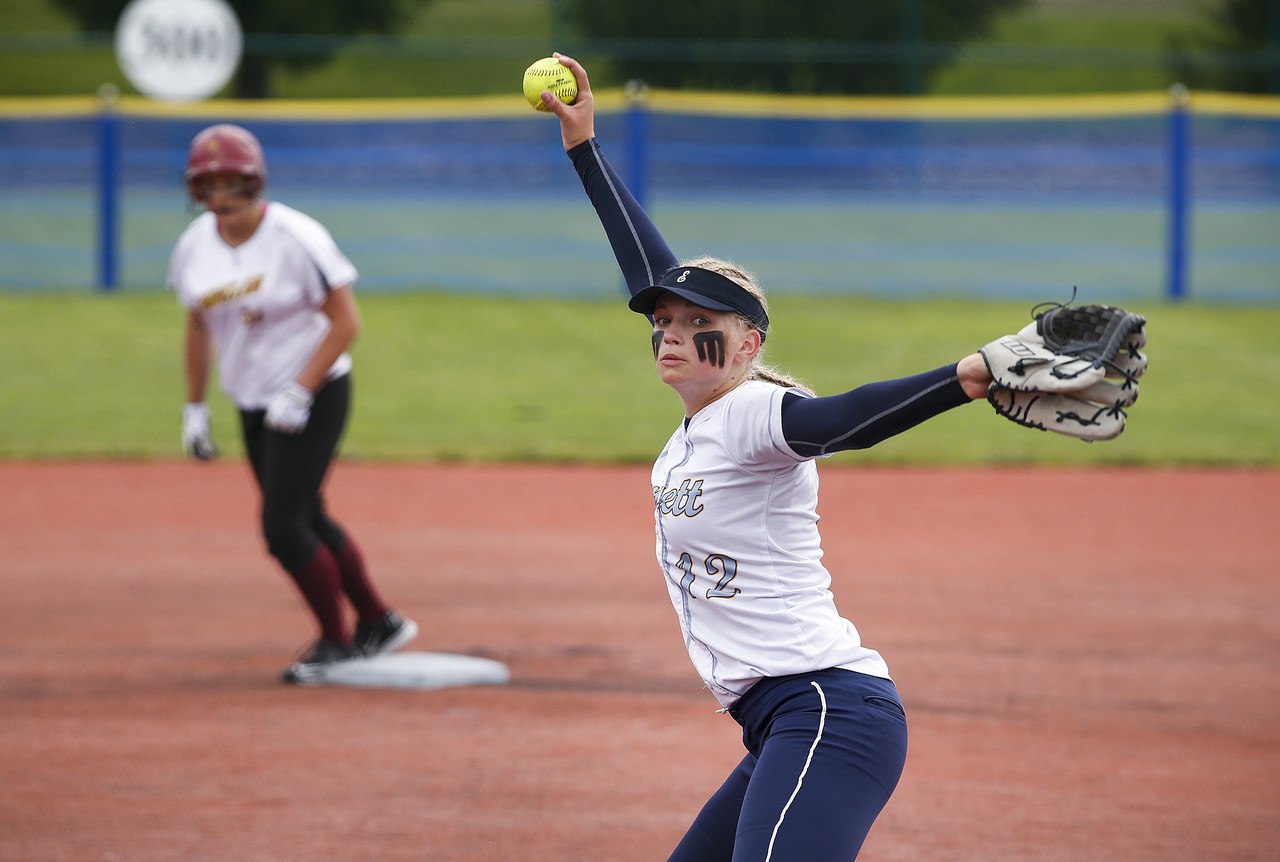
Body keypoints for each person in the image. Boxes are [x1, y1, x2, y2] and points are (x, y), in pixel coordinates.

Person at [541, 55, 997, 861]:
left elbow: (845, 420)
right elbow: (650, 272)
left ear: (748, 343)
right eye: (665, 321)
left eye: (699, 322)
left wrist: (966, 378)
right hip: (786, 724)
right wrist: (585, 148)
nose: (673, 332)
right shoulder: (700, 428)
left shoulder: (753, 413)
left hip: (827, 710)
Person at [168, 123, 417, 685]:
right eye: (210, 185)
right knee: (306, 515)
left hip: (317, 391)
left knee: (282, 527)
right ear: (196, 191)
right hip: (253, 399)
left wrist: (301, 388)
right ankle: (379, 621)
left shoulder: (295, 235)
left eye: (232, 183)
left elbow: (346, 321)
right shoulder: (193, 247)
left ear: (254, 183)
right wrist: (195, 408)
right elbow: (197, 326)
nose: (222, 197)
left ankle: (339, 641)